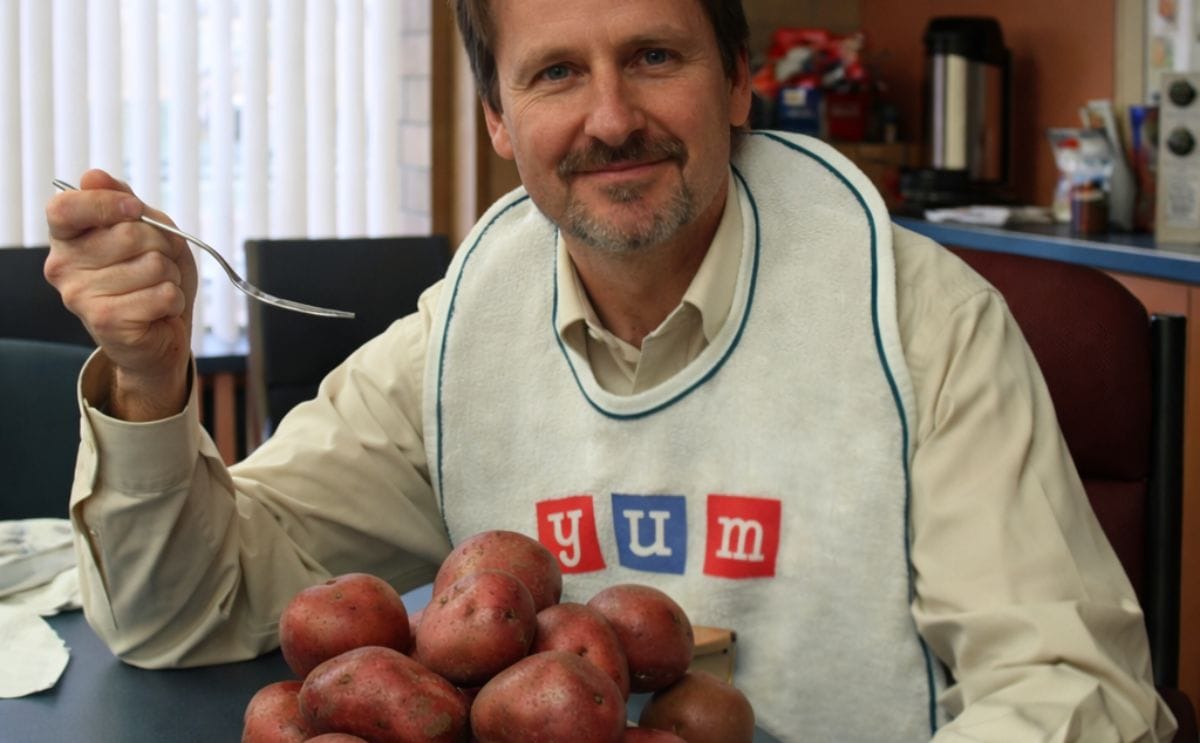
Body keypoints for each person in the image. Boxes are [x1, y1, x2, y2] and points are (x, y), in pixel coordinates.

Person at [43, 0, 1175, 739]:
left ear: (738, 81)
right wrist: (148, 378)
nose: (611, 119)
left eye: (653, 56)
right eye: (552, 76)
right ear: (497, 119)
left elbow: (1077, 689)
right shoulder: (456, 336)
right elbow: (188, 612)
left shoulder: (926, 322)